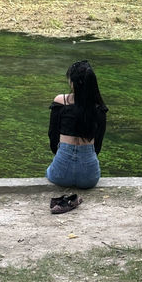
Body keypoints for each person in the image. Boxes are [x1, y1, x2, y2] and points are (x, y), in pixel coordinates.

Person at [46, 59, 108, 190]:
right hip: (89, 177)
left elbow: (53, 136)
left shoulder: (61, 101)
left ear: (73, 83)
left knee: (50, 171)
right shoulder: (99, 108)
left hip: (61, 173)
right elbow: (98, 145)